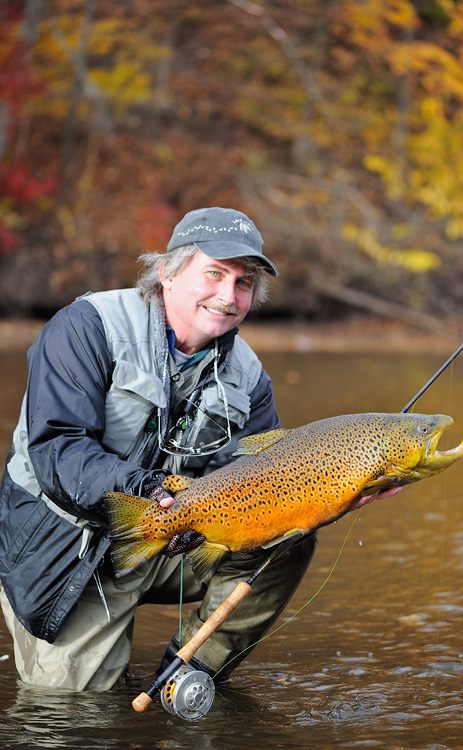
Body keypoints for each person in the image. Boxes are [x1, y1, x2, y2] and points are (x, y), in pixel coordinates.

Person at [0, 206, 318, 692]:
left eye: (244, 283)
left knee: (287, 532)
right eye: (214, 273)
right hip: (65, 551)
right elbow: (59, 452)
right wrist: (148, 490)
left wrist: (334, 494)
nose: (227, 296)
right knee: (71, 717)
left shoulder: (250, 379)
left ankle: (189, 670)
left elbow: (258, 476)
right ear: (167, 273)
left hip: (172, 540)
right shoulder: (86, 327)